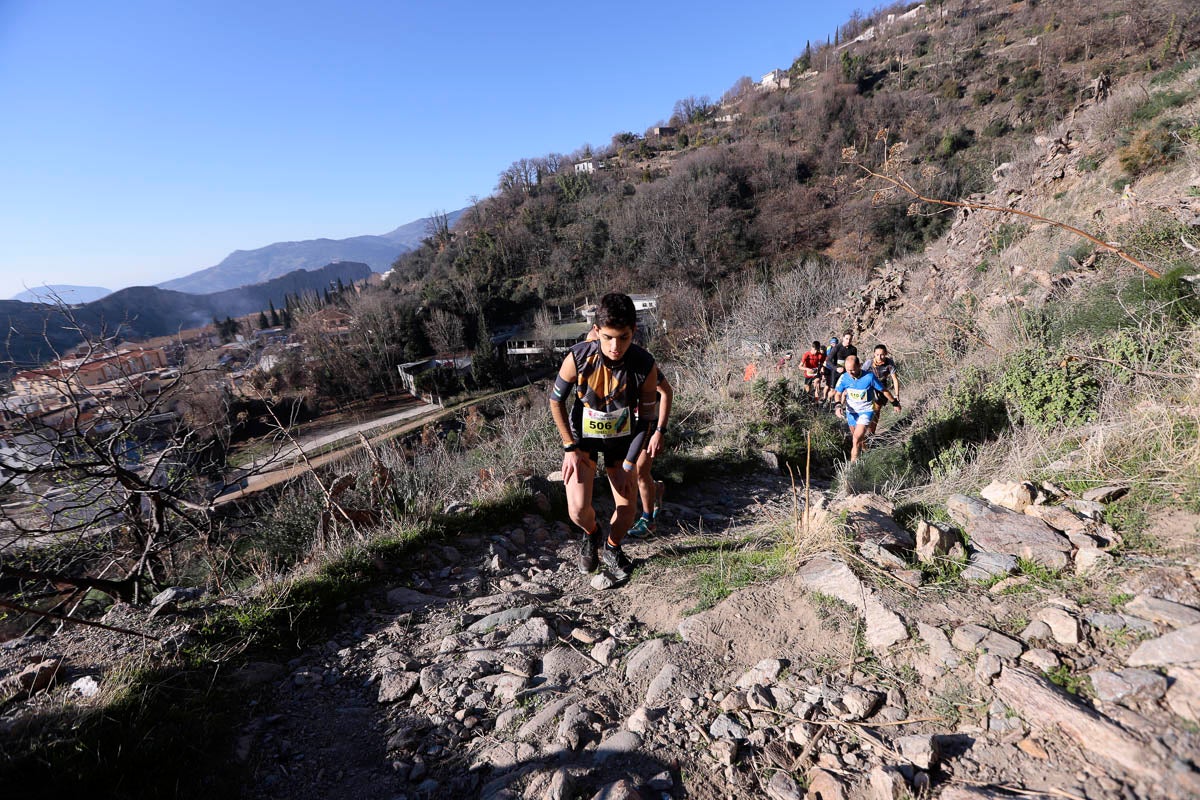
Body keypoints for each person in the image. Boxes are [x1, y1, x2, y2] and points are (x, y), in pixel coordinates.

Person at [550, 293, 659, 582]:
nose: (615, 346)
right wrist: (569, 447)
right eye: (608, 337)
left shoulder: (644, 366)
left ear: (633, 332)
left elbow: (647, 419)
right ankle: (592, 534)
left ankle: (612, 548)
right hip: (582, 440)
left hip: (620, 441)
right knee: (577, 509)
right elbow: (555, 401)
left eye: (623, 338)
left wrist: (628, 465)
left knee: (628, 511)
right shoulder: (578, 357)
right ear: (597, 331)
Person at [627, 369, 672, 538]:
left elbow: (666, 391)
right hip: (623, 425)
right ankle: (655, 489)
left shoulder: (644, 365)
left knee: (640, 470)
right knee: (627, 470)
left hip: (647, 425)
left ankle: (648, 521)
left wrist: (660, 431)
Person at [833, 354, 900, 462]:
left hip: (866, 411)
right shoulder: (844, 377)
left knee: (855, 439)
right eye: (848, 370)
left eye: (853, 370)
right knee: (859, 439)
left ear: (859, 366)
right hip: (851, 412)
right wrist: (838, 406)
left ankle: (852, 468)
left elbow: (884, 391)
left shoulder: (869, 377)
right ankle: (866, 452)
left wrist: (895, 403)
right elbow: (837, 394)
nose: (850, 373)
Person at [867, 344, 900, 437]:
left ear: (885, 354)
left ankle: (871, 434)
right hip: (870, 387)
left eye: (882, 355)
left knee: (877, 410)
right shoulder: (869, 363)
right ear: (874, 354)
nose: (879, 357)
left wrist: (897, 395)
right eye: (877, 354)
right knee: (870, 410)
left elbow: (895, 379)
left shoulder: (889, 363)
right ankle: (867, 431)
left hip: (882, 387)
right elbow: (860, 374)